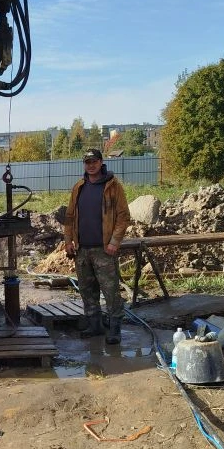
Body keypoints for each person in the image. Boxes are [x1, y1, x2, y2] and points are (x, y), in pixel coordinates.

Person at [64, 147, 130, 344]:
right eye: (87, 162)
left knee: (111, 291)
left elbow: (123, 216)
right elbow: (69, 217)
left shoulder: (113, 186)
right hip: (82, 250)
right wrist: (68, 241)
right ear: (84, 165)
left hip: (104, 250)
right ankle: (95, 325)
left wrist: (114, 242)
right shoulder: (79, 187)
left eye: (94, 162)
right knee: (87, 290)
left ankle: (115, 329)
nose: (91, 165)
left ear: (101, 163)